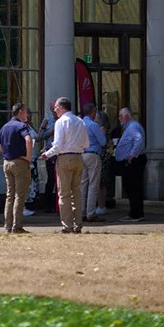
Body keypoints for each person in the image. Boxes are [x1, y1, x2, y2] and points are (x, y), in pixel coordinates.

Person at [42, 97, 89, 234]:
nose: (55, 109)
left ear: (62, 108)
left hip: (64, 157)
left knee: (64, 194)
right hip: (78, 157)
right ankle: (78, 224)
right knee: (76, 192)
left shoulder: (61, 122)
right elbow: (86, 143)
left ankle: (67, 226)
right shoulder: (80, 121)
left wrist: (47, 154)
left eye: (56, 107)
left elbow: (57, 145)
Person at [0, 103, 33, 234]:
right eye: (26, 112)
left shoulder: (5, 127)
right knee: (20, 195)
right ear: (20, 111)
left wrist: (7, 154)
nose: (27, 114)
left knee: (10, 195)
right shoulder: (21, 126)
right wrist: (28, 157)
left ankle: (7, 225)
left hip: (7, 162)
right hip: (19, 162)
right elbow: (28, 140)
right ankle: (17, 226)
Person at [114, 107, 147, 222]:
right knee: (132, 187)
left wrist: (132, 155)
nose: (119, 118)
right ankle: (135, 212)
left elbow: (139, 140)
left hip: (134, 161)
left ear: (127, 116)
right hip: (133, 161)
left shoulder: (132, 126)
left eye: (121, 116)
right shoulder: (131, 126)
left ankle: (136, 214)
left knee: (133, 187)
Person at [80, 103, 107, 222]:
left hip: (81, 154)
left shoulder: (80, 124)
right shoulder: (93, 125)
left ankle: (81, 212)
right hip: (93, 154)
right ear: (93, 112)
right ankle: (90, 212)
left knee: (83, 184)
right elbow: (103, 142)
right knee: (93, 184)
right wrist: (102, 132)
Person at [37, 102, 57, 212]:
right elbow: (39, 137)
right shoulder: (47, 120)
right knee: (50, 178)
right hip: (50, 152)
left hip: (61, 153)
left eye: (55, 108)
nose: (54, 111)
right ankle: (48, 205)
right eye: (52, 109)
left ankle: (59, 205)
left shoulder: (64, 120)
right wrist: (48, 131)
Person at [23, 115, 40, 217]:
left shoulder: (30, 126)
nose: (29, 117)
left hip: (33, 158)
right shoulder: (21, 127)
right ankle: (23, 206)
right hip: (27, 158)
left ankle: (30, 205)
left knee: (32, 183)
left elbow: (38, 137)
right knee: (26, 183)